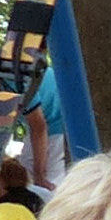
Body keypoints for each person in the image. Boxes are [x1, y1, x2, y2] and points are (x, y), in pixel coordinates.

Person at [24, 58, 69, 186]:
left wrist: (39, 174)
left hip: (57, 125)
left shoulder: (16, 84)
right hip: (53, 122)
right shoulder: (17, 70)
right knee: (26, 175)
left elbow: (39, 128)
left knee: (46, 183)